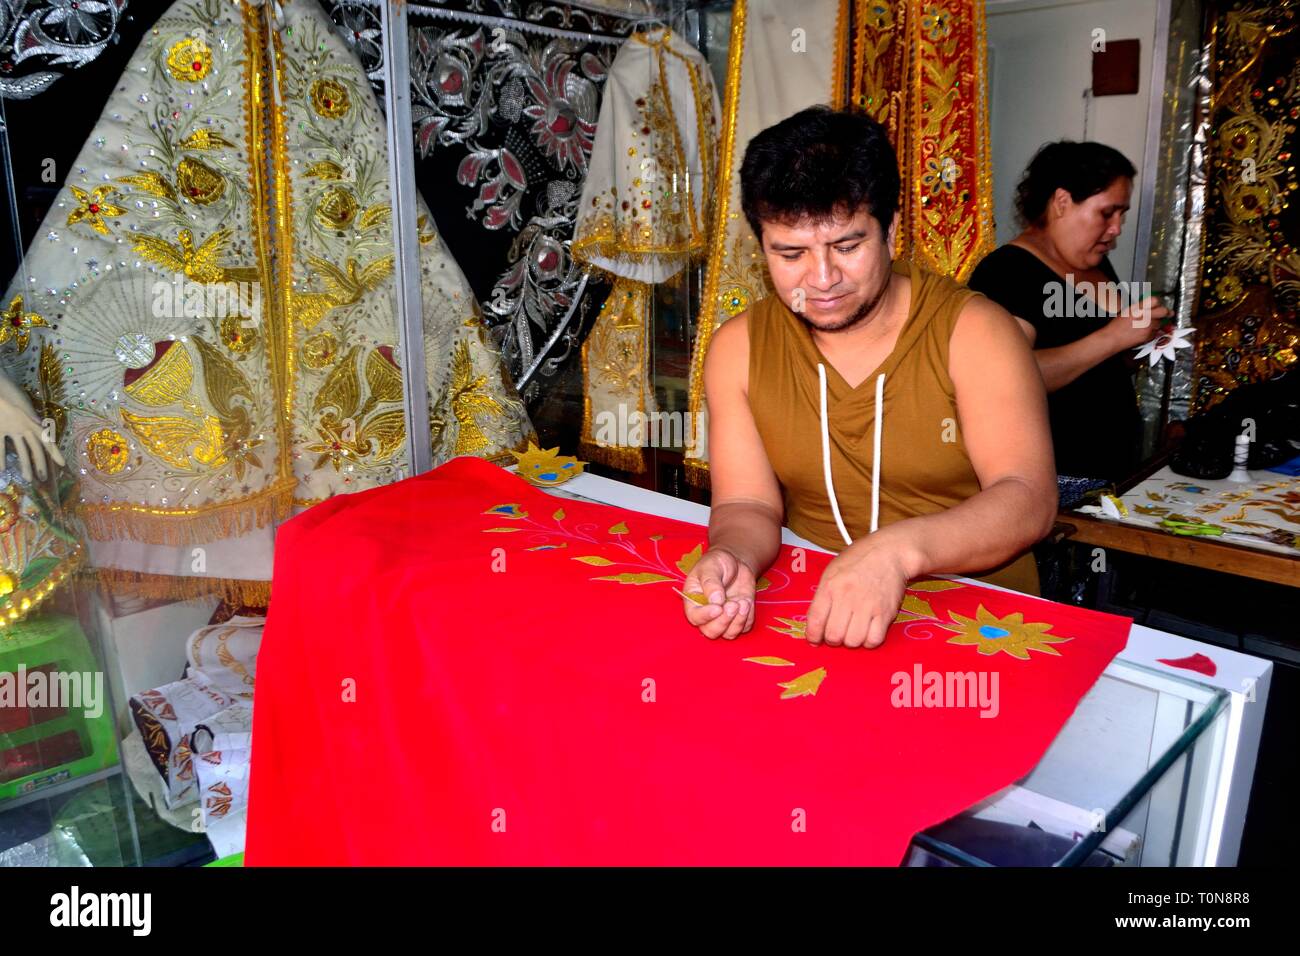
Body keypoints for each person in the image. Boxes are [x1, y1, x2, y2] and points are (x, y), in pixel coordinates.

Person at [680, 106, 1057, 649]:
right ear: (760, 246)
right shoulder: (739, 348)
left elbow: (1027, 498)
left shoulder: (974, 332)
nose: (824, 278)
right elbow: (749, 505)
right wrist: (732, 555)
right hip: (815, 606)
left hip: (976, 617)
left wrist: (896, 552)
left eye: (848, 246)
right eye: (791, 253)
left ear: (892, 231)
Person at [967, 141, 1169, 481]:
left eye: (1122, 215)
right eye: (1107, 213)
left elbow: (1099, 363)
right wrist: (1114, 337)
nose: (1116, 228)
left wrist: (1144, 343)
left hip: (1111, 468)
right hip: (1055, 477)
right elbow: (1007, 376)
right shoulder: (1008, 271)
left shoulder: (1096, 263)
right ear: (1062, 202)